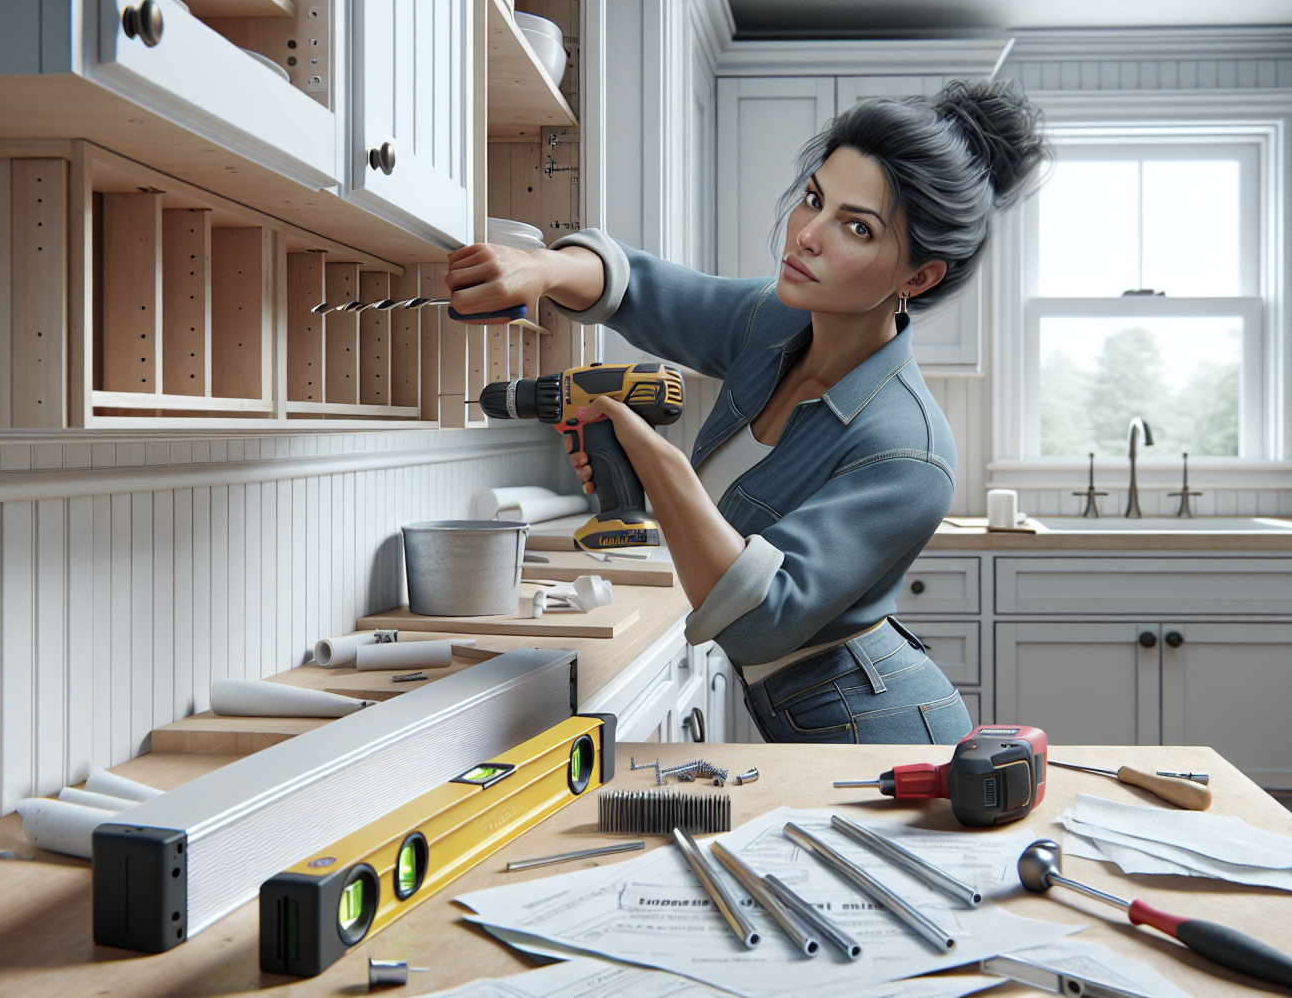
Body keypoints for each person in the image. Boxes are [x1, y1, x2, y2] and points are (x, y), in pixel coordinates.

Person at [445, 80, 1051, 744]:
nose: (807, 235)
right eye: (814, 198)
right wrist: (541, 268)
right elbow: (642, 290)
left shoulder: (911, 449)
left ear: (918, 277)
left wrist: (658, 465)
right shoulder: (773, 321)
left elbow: (760, 620)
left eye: (857, 227)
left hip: (881, 726)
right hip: (807, 710)